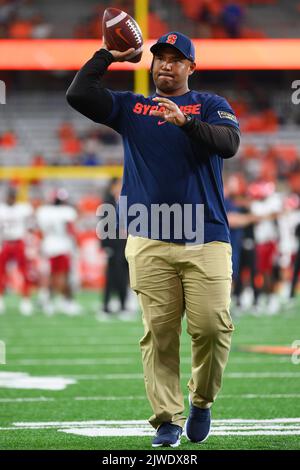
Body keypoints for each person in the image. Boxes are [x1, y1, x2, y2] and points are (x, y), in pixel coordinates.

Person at [66, 31, 240, 447]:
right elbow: (79, 94)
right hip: (148, 238)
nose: (166, 64)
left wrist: (187, 123)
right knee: (159, 334)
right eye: (160, 57)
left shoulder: (211, 105)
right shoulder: (131, 106)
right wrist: (108, 54)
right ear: (151, 64)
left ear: (190, 68)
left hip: (207, 236)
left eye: (176, 59)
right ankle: (167, 419)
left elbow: (229, 143)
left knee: (212, 328)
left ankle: (201, 401)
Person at [35, 189, 81, 316]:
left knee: (50, 276)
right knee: (63, 276)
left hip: (48, 246)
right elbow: (70, 229)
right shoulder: (66, 212)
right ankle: (65, 301)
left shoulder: (43, 211)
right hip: (62, 246)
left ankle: (47, 300)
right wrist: (76, 245)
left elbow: (38, 230)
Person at [98, 177, 129, 320]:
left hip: (124, 244)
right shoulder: (107, 203)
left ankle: (123, 306)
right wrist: (105, 246)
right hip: (113, 245)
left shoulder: (126, 201)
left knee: (124, 277)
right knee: (111, 277)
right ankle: (106, 306)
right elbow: (103, 227)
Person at [0, 187, 34, 315]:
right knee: (1, 273)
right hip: (5, 242)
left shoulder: (23, 209)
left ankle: (26, 300)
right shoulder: (2, 209)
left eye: (13, 196)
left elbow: (31, 227)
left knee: (25, 272)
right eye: (9, 196)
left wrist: (30, 244)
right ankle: (1, 299)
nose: (11, 198)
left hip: (19, 242)